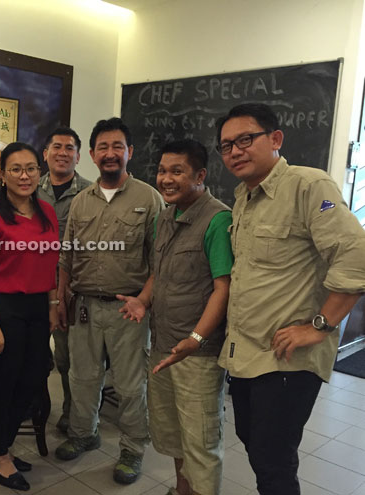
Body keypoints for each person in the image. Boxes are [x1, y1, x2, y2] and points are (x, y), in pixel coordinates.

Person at [216, 103, 365, 495]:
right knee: (253, 441)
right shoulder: (243, 198)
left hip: (287, 359)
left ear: (275, 139)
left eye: (245, 139)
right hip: (247, 350)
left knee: (273, 460)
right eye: (226, 145)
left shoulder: (309, 186)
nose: (235, 151)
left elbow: (354, 253)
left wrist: (320, 326)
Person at [54, 117, 164, 484]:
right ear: (92, 155)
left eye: (118, 146)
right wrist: (60, 300)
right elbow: (66, 255)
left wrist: (143, 302)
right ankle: (84, 434)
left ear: (129, 152)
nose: (110, 153)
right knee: (82, 377)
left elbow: (160, 260)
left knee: (132, 386)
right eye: (103, 147)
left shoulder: (149, 198)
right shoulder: (82, 201)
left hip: (128, 309)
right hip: (83, 305)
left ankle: (132, 449)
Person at [119, 139, 232, 495]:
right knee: (173, 436)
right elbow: (159, 273)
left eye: (176, 172)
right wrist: (143, 300)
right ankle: (183, 490)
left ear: (200, 175)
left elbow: (223, 289)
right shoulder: (166, 216)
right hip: (165, 346)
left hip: (197, 354)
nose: (166, 179)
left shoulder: (217, 219)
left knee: (201, 442)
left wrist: (196, 338)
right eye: (162, 171)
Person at [0, 141, 60, 491]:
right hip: (2, 306)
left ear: (40, 172)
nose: (25, 176)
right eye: (16, 169)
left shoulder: (47, 212)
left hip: (37, 305)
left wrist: (53, 306)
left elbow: (50, 264)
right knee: (3, 381)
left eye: (31, 168)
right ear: (3, 175)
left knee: (34, 376)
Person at [37, 126, 92, 434]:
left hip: (68, 287)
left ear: (79, 156)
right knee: (31, 352)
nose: (62, 153)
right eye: (56, 147)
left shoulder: (89, 192)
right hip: (32, 285)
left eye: (69, 148)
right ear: (45, 154)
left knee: (67, 355)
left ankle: (72, 411)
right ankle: (31, 404)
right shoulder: (31, 187)